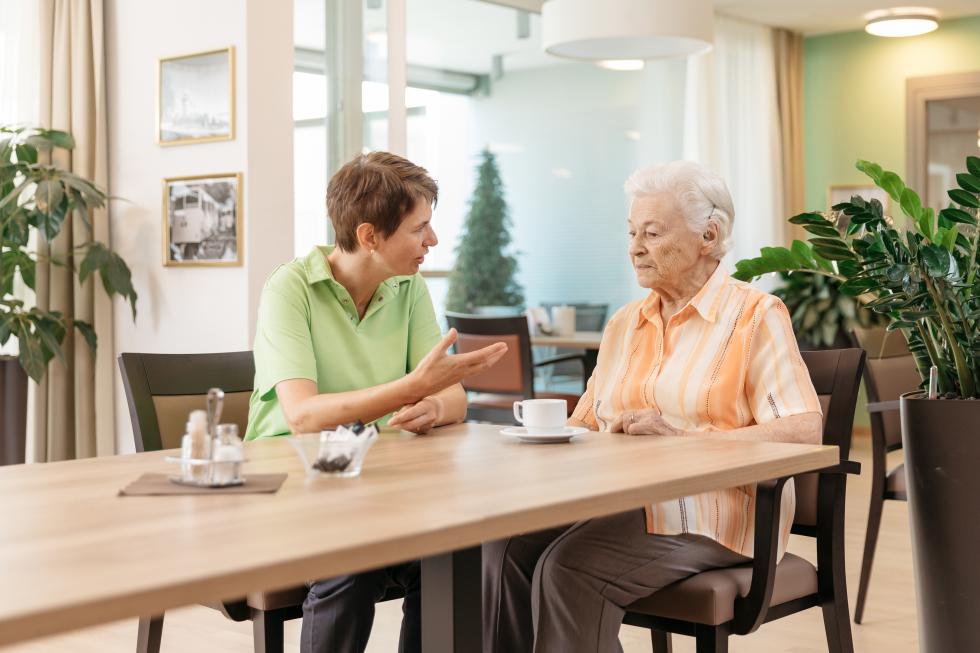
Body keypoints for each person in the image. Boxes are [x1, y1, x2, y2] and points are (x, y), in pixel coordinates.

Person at [482, 161, 823, 653]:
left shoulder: (755, 316)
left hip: (717, 513)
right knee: (505, 546)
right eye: (631, 232)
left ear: (708, 235)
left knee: (570, 567)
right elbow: (585, 421)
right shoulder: (625, 324)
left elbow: (804, 428)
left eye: (652, 233)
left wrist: (686, 444)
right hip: (620, 504)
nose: (635, 247)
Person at [245, 151, 507, 653]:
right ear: (369, 236)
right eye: (419, 228)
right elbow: (302, 417)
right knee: (353, 560)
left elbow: (450, 395)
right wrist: (411, 388)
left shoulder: (407, 287)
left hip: (377, 483)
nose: (432, 241)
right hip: (291, 485)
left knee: (454, 553)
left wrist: (433, 406)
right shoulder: (290, 288)